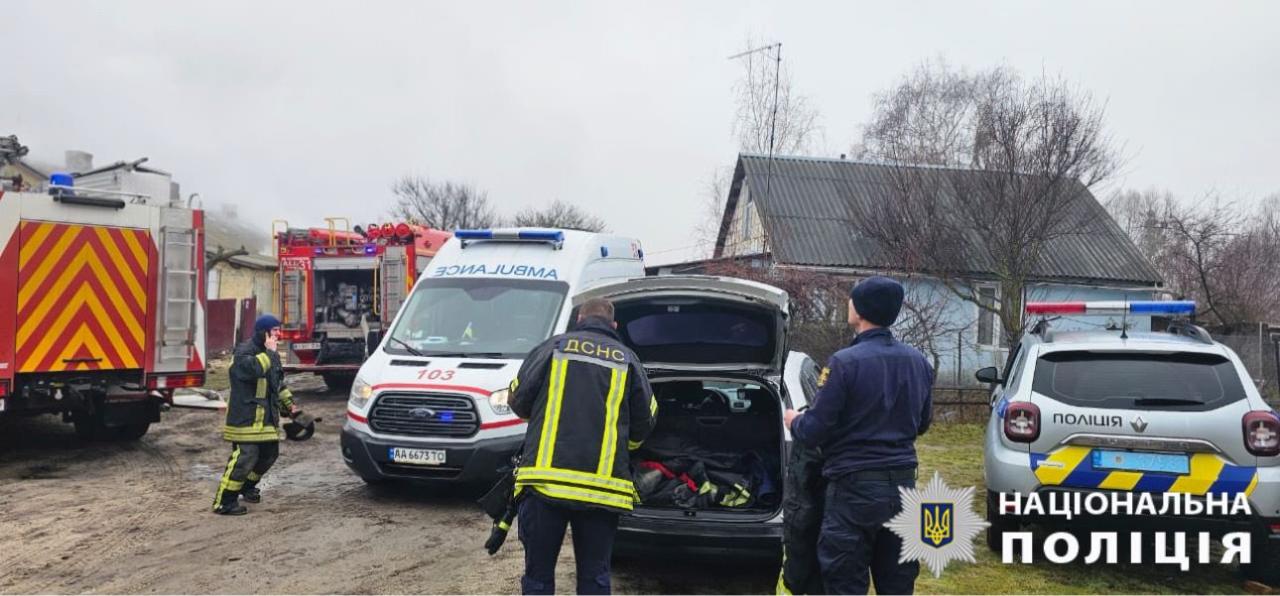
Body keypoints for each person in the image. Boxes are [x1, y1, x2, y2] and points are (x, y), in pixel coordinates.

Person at [783, 276, 933, 595]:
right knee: (898, 584)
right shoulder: (919, 362)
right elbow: (922, 423)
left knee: (844, 581)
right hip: (903, 489)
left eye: (851, 298)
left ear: (860, 309)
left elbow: (814, 431)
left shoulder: (844, 363)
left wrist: (794, 420)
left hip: (853, 494)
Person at [508, 298, 658, 595]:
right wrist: (623, 446)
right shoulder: (627, 359)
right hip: (602, 491)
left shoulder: (552, 348)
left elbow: (518, 400)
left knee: (538, 577)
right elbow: (646, 420)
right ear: (614, 325)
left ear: (579, 319)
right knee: (594, 577)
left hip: (544, 485)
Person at [212, 314, 300, 515]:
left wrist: (290, 406)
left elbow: (277, 384)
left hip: (266, 420)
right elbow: (253, 370)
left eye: (278, 330)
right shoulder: (243, 352)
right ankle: (224, 501)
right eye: (274, 330)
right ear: (263, 332)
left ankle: (246, 486)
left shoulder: (271, 354)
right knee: (246, 458)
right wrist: (270, 353)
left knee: (269, 455)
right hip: (245, 419)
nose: (278, 334)